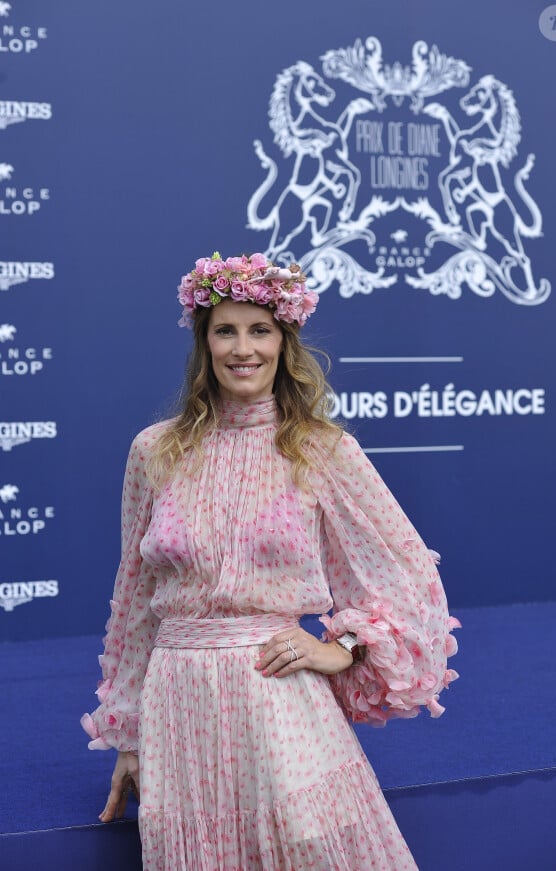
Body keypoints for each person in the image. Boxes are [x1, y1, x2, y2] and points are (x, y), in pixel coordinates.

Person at [82, 251, 460, 870]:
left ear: (285, 342)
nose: (242, 348)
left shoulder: (322, 449)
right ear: (204, 344)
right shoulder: (154, 450)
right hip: (180, 706)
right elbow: (134, 599)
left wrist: (343, 647)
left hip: (279, 699)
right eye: (224, 331)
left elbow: (405, 572)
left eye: (260, 330)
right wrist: (127, 734)